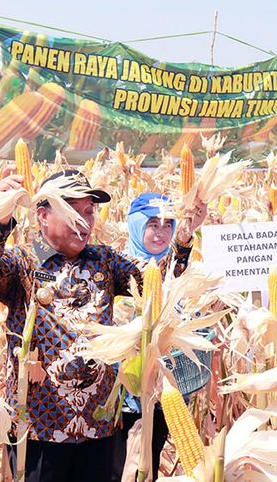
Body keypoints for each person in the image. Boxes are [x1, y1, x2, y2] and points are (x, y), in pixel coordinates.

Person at [0, 170, 206, 482]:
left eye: (89, 211)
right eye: (72, 212)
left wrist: (185, 235)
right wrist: (0, 219)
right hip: (41, 429)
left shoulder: (103, 260)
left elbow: (155, 280)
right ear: (43, 215)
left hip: (100, 427)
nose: (84, 221)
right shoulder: (23, 262)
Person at [110, 192, 175, 482]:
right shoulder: (115, 266)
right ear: (136, 226)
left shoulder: (176, 270)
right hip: (119, 398)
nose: (161, 233)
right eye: (153, 224)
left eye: (168, 225)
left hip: (159, 395)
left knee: (148, 464)